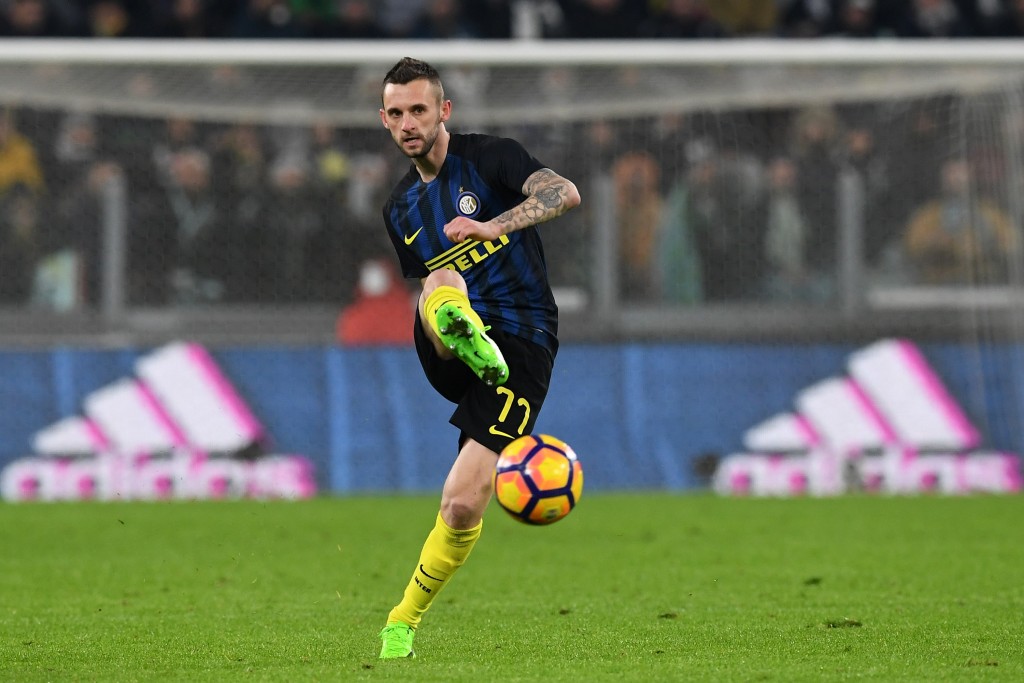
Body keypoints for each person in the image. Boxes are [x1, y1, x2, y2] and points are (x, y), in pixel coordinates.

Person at [375, 57, 580, 659]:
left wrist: (494, 226)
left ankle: (400, 623)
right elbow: (426, 280)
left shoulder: (491, 157)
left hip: (522, 342)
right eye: (397, 113)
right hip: (451, 340)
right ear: (384, 120)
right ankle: (462, 333)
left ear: (444, 111)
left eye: (419, 109)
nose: (409, 123)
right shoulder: (399, 209)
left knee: (462, 502)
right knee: (441, 284)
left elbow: (562, 193)